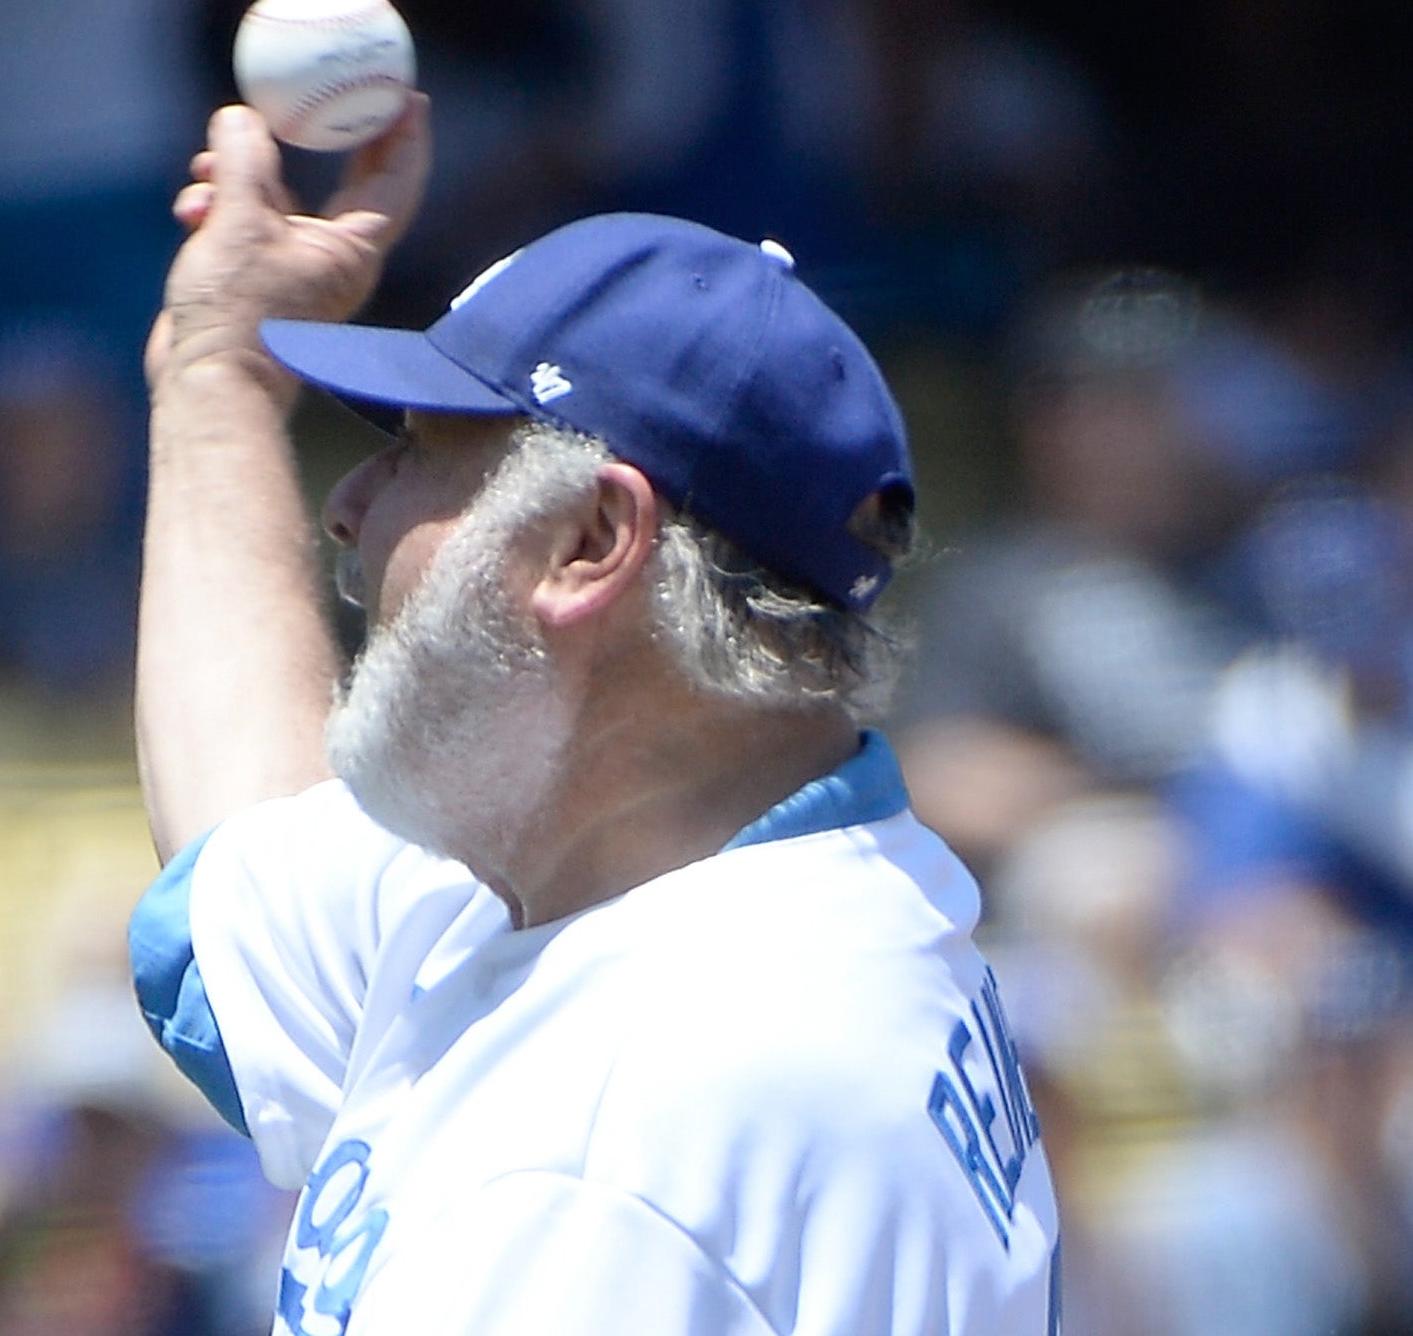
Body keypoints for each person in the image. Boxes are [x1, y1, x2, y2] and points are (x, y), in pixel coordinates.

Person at [125, 101, 1059, 1333]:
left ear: (589, 542)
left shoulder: (606, 1140)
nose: (348, 504)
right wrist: (217, 377)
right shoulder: (739, 878)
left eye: (416, 448)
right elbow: (241, 868)